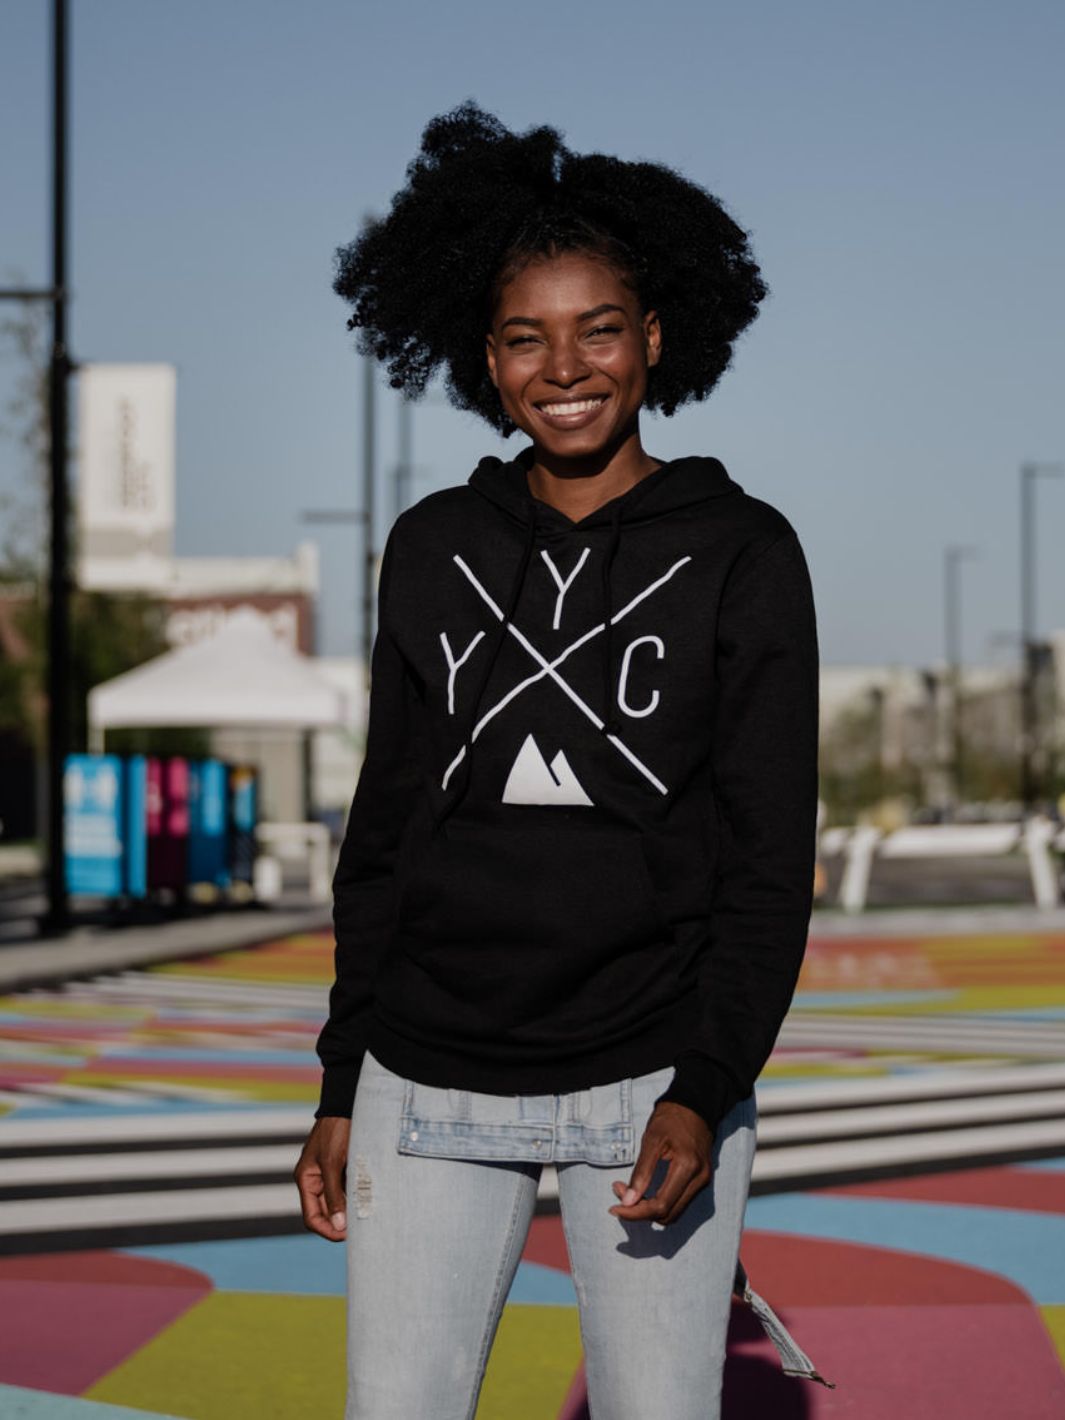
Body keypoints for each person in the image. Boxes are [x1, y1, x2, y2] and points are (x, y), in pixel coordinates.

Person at [294, 100, 831, 1419]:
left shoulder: (742, 551)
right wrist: (340, 1074)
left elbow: (769, 856)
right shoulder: (431, 546)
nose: (565, 364)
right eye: (525, 336)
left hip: (651, 1071)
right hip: (424, 1069)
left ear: (653, 338)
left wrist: (707, 1085)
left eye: (599, 327)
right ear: (483, 360)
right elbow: (387, 831)